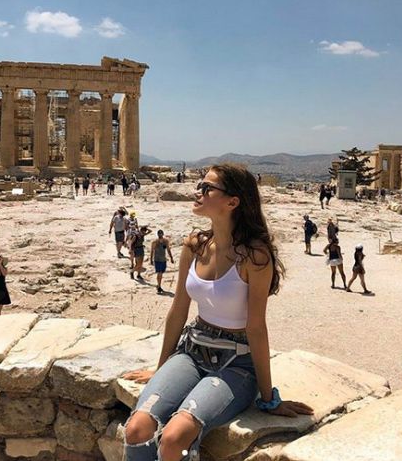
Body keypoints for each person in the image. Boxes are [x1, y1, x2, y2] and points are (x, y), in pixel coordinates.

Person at [122, 164, 313, 461]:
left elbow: (256, 328)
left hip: (237, 364)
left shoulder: (255, 256)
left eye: (207, 188)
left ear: (232, 202)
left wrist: (268, 398)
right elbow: (178, 310)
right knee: (136, 428)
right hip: (191, 351)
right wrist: (160, 369)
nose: (197, 192)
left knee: (173, 438)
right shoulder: (195, 245)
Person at [150, 230, 174, 294]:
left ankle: (158, 285)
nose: (160, 235)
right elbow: (152, 251)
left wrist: (171, 258)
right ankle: (159, 286)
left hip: (163, 259)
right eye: (159, 234)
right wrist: (151, 260)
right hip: (157, 259)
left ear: (163, 234)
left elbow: (168, 250)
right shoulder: (155, 242)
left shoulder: (166, 241)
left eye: (161, 233)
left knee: (161, 273)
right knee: (159, 273)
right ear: (157, 234)